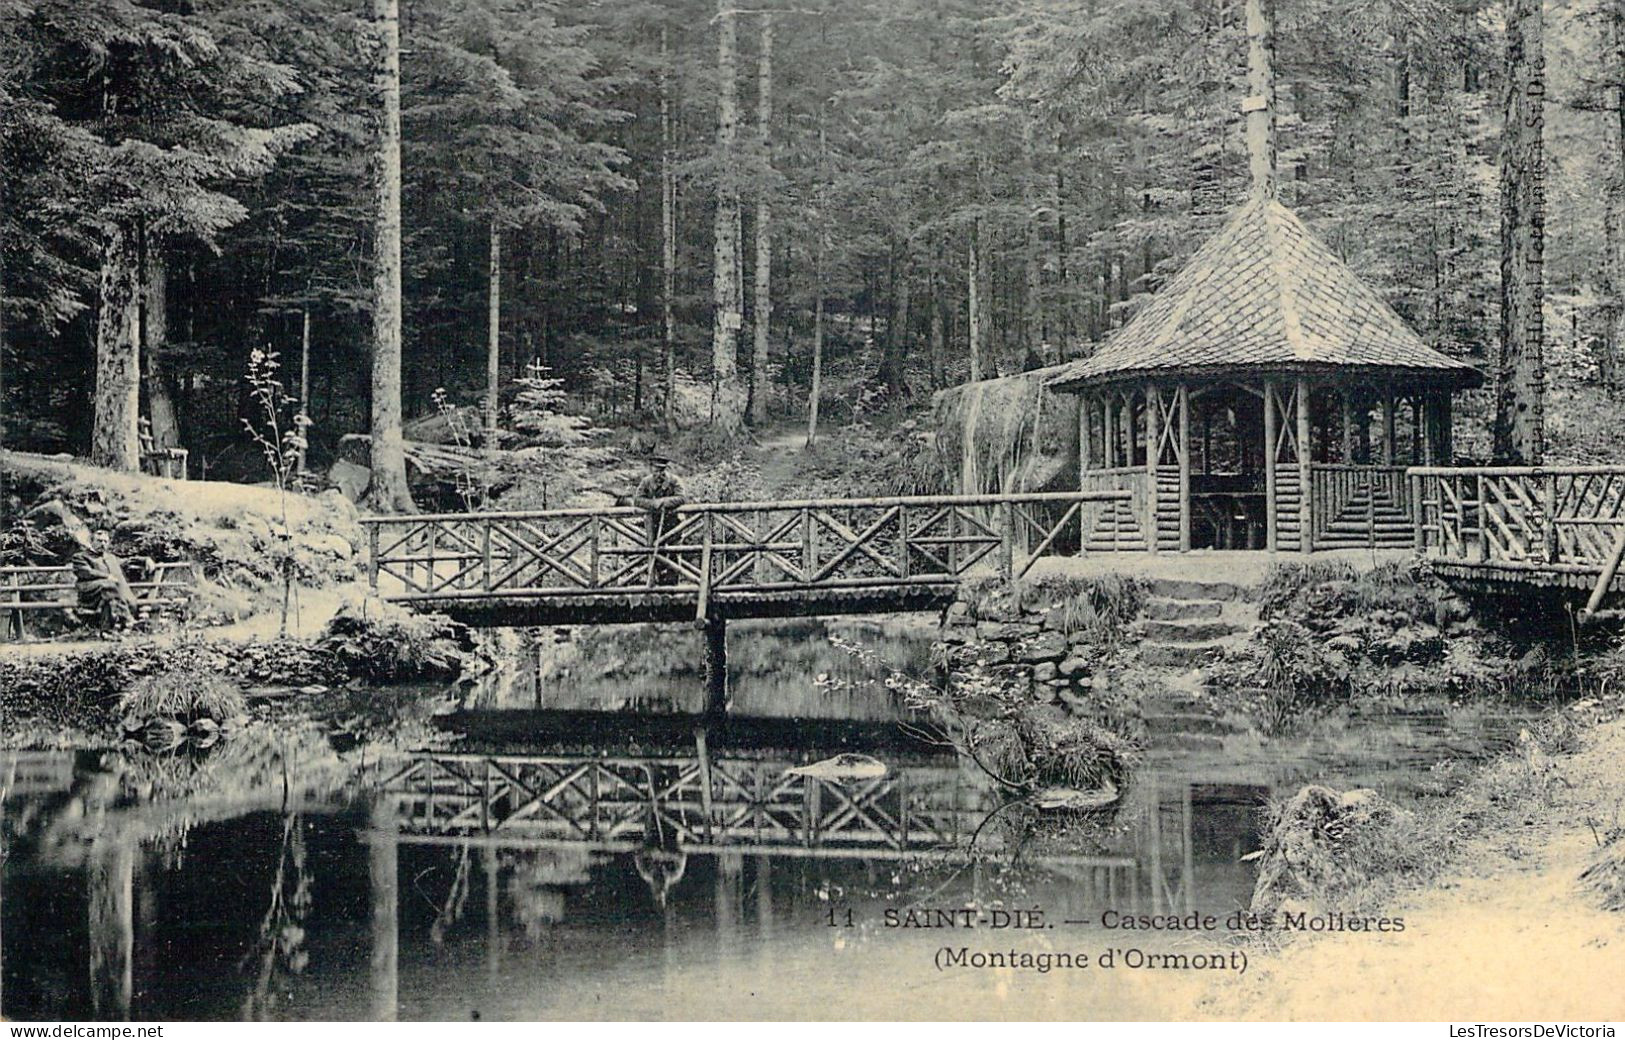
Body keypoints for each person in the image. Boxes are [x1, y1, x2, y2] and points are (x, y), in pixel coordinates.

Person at [71, 529, 145, 632]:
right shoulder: (80, 557)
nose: (103, 544)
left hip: (109, 592)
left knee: (110, 594)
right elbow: (85, 572)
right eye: (99, 541)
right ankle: (128, 620)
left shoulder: (110, 557)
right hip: (89, 592)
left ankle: (108, 630)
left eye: (105, 541)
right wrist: (106, 576)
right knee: (109, 586)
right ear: (91, 542)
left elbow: (127, 561)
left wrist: (145, 560)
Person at [631, 453, 686, 585]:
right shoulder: (646, 482)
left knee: (674, 549)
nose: (659, 474)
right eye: (656, 470)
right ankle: (658, 579)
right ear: (651, 469)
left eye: (662, 470)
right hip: (654, 522)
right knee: (655, 548)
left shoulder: (674, 481)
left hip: (673, 521)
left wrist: (663, 502)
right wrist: (653, 504)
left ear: (666, 469)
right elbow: (637, 500)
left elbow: (682, 498)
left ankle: (673, 582)